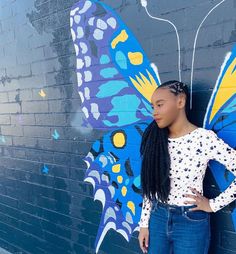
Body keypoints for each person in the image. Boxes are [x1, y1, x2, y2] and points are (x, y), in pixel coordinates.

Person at [138, 80, 236, 254]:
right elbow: (150, 185)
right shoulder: (155, 139)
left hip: (191, 221)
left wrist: (213, 205)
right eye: (153, 106)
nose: (155, 112)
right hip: (158, 216)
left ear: (180, 101)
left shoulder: (203, 139)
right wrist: (144, 224)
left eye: (160, 105)